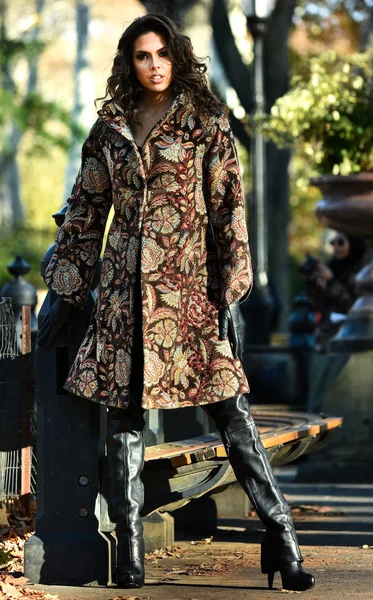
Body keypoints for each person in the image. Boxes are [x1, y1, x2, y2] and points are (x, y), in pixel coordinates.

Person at [37, 13, 314, 592]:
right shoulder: (109, 129)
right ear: (129, 63)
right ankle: (131, 555)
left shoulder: (205, 122)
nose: (155, 64)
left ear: (176, 55)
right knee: (124, 423)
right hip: (122, 298)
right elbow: (86, 214)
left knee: (231, 412)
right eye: (143, 55)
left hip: (189, 295)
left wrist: (231, 287)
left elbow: (227, 210)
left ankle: (283, 540)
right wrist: (65, 285)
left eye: (162, 52)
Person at [302, 232, 366, 343]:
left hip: (350, 337)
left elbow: (353, 306)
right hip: (326, 336)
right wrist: (314, 283)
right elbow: (317, 306)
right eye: (333, 243)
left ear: (353, 244)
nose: (336, 246)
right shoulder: (332, 267)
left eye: (340, 242)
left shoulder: (363, 273)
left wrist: (331, 282)